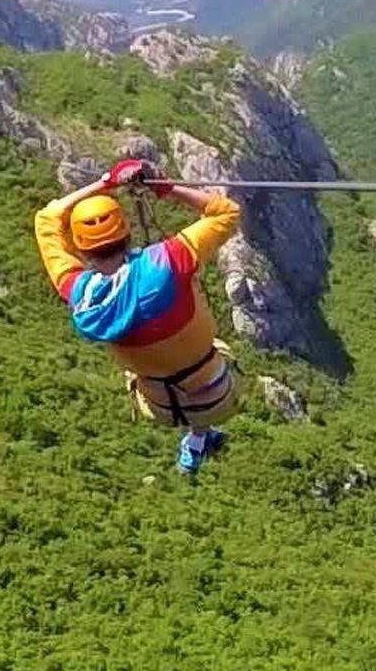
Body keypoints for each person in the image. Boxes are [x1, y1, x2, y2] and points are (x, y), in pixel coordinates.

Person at [33, 157, 245, 474]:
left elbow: (47, 219)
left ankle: (196, 443)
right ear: (126, 231)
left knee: (150, 364)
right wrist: (165, 188)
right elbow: (226, 212)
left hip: (159, 405)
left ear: (81, 247)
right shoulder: (169, 261)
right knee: (215, 350)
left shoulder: (78, 292)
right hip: (218, 395)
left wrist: (106, 182)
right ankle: (199, 437)